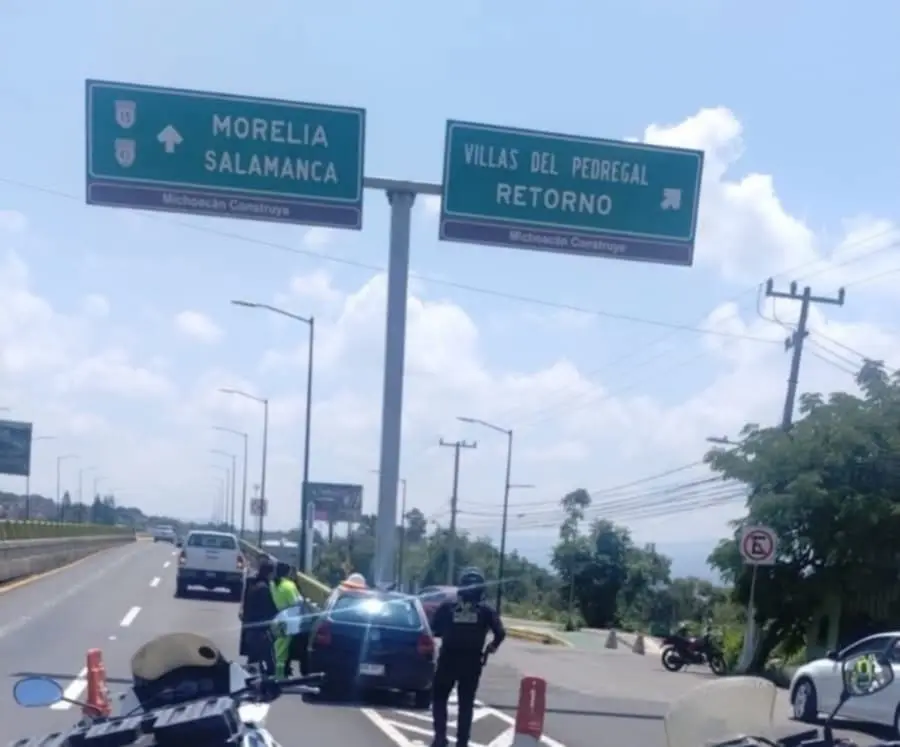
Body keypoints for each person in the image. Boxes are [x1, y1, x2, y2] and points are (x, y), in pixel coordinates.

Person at [430, 567, 505, 747]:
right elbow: (500, 632)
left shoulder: (448, 606)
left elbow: (434, 628)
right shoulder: (486, 610)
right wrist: (490, 648)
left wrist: (446, 632)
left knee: (439, 698)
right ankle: (462, 742)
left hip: (448, 659)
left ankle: (440, 738)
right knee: (466, 704)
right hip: (472, 663)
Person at [240, 558, 279, 676]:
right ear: (270, 573)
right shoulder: (264, 589)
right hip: (260, 632)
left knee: (254, 661)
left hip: (249, 630)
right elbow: (269, 610)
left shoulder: (252, 584)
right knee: (270, 663)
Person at [270, 561, 302, 679]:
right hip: (289, 620)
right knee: (282, 649)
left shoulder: (273, 584)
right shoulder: (289, 585)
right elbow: (297, 603)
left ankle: (278, 674)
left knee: (279, 646)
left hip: (279, 617)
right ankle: (280, 675)